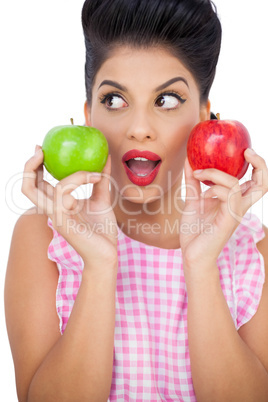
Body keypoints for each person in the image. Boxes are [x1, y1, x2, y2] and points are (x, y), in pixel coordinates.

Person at [5, 0, 268, 400]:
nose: (140, 128)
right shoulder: (42, 238)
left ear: (203, 118)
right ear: (89, 115)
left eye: (166, 100)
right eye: (114, 100)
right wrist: (98, 264)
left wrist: (200, 265)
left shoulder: (252, 249)